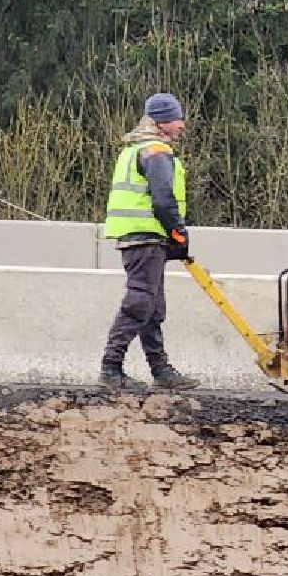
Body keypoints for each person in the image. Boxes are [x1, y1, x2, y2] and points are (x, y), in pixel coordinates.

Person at [98, 92, 200, 390]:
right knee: (140, 303)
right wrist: (178, 231)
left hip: (141, 237)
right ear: (162, 122)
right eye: (176, 119)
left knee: (152, 307)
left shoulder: (135, 149)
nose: (182, 124)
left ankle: (160, 370)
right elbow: (163, 198)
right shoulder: (155, 151)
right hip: (146, 237)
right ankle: (110, 367)